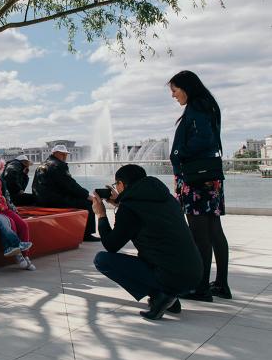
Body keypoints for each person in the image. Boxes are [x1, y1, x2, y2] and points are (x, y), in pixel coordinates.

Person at [92, 164, 203, 320]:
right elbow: (144, 212)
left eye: (116, 184)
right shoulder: (167, 198)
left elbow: (111, 245)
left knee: (102, 260)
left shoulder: (129, 208)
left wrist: (101, 215)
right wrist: (120, 202)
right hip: (194, 274)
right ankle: (169, 297)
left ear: (121, 184)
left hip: (170, 275)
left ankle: (161, 295)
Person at [169, 70, 230, 301]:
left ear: (186, 87)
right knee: (214, 231)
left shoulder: (197, 107)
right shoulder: (207, 105)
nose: (173, 95)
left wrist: (179, 153)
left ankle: (201, 287)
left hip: (196, 180)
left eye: (174, 90)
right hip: (209, 177)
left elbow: (204, 139)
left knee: (199, 235)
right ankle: (221, 284)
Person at [32, 144, 100, 241]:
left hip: (41, 200)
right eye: (62, 154)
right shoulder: (58, 165)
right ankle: (86, 234)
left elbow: (36, 185)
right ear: (55, 153)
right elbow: (70, 185)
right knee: (88, 203)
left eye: (65, 154)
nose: (64, 157)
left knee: (76, 198)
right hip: (53, 201)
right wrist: (86, 195)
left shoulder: (42, 165)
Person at [0, 155, 35, 270]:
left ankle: (25, 255)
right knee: (11, 223)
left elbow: (6, 196)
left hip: (4, 209)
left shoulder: (0, 180)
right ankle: (18, 255)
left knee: (23, 225)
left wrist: (12, 208)